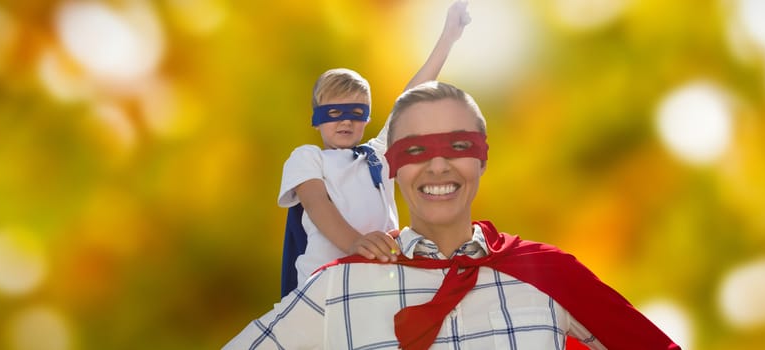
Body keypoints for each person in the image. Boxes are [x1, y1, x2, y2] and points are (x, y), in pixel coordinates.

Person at [227, 81, 680, 349]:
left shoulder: (547, 274)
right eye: (417, 149)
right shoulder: (337, 287)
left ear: (482, 159)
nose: (438, 165)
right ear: (392, 168)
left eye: (457, 146)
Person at [278, 1, 471, 296]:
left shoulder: (377, 155)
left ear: (366, 118)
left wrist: (448, 36)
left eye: (355, 112)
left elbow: (412, 97)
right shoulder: (307, 157)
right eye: (333, 113)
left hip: (380, 282)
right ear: (316, 119)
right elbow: (317, 204)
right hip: (323, 289)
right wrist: (355, 243)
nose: (345, 121)